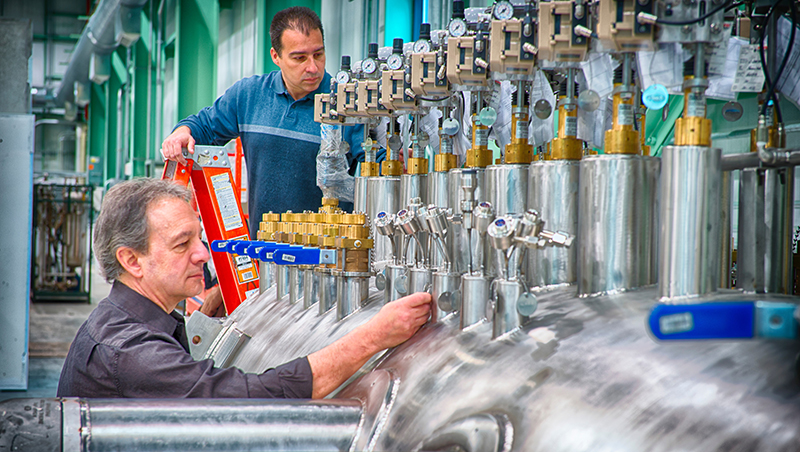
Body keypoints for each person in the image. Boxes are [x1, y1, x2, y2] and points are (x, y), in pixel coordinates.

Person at [57, 179, 430, 398]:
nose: (203, 254)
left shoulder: (129, 319)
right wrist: (372, 337)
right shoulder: (131, 352)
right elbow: (252, 398)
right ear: (131, 260)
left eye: (199, 238)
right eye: (182, 244)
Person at [161, 6, 368, 239]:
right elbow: (205, 126)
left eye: (318, 55)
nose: (312, 67)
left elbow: (377, 165)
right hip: (265, 250)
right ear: (275, 56)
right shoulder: (250, 95)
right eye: (299, 58)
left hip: (327, 252)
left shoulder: (348, 104)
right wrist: (183, 131)